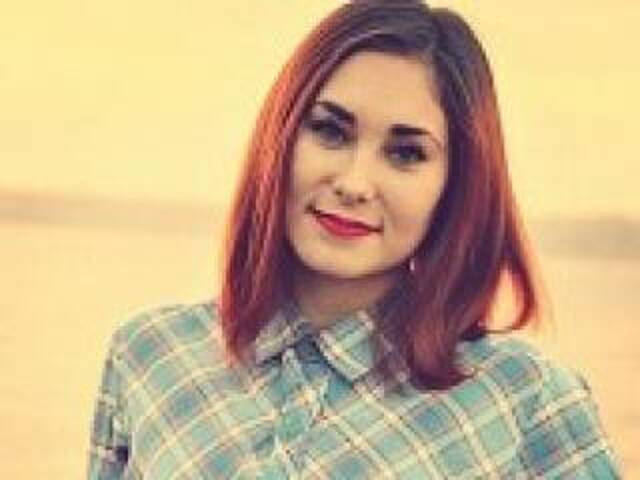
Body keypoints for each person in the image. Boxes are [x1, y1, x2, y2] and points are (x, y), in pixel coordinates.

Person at [87, 1, 621, 478]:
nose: (354, 183)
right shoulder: (150, 354)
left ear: (454, 183)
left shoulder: (526, 400)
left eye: (406, 153)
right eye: (330, 131)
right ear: (282, 135)